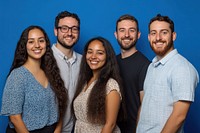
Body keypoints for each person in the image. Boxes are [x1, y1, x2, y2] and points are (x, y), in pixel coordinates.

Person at [136, 14, 199, 133]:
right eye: (154, 33)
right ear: (149, 37)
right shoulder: (151, 66)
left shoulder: (182, 68)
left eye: (164, 32)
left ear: (173, 36)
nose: (158, 37)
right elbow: (144, 106)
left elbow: (179, 116)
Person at [0, 25, 68, 133]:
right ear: (24, 46)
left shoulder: (51, 72)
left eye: (41, 41)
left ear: (46, 44)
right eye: (31, 41)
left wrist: (58, 129)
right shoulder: (18, 76)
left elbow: (60, 104)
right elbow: (15, 118)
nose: (37, 45)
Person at [73, 37, 123, 133]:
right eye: (90, 52)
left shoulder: (111, 85)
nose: (93, 56)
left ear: (107, 56)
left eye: (99, 53)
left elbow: (110, 124)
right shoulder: (85, 81)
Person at [114, 14, 150, 133]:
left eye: (132, 30)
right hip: (112, 128)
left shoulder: (145, 65)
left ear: (138, 35)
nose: (127, 35)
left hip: (132, 129)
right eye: (122, 30)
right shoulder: (111, 62)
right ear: (116, 34)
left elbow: (144, 105)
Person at [52, 11, 82, 132]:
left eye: (74, 29)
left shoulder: (85, 62)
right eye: (64, 28)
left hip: (72, 129)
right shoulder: (44, 59)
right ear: (56, 31)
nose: (69, 33)